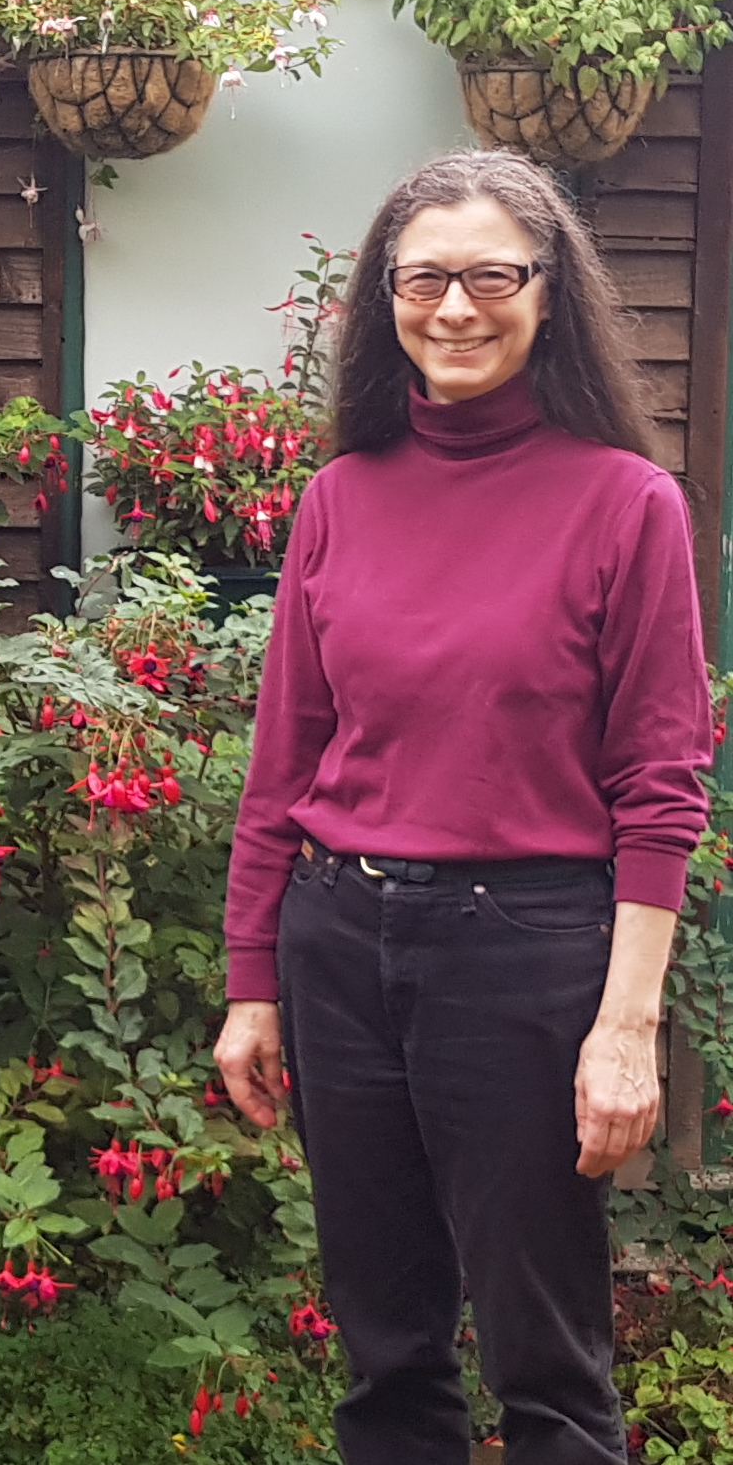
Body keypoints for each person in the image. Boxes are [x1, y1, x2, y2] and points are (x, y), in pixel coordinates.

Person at [213, 149, 713, 1465]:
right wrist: (253, 983)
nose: (455, 307)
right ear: (385, 297)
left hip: (526, 955)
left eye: (492, 275)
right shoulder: (341, 498)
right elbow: (286, 766)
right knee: (386, 1353)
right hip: (338, 947)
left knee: (546, 1364)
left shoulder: (626, 505)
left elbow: (661, 788)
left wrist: (625, 1026)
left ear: (548, 295)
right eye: (423, 277)